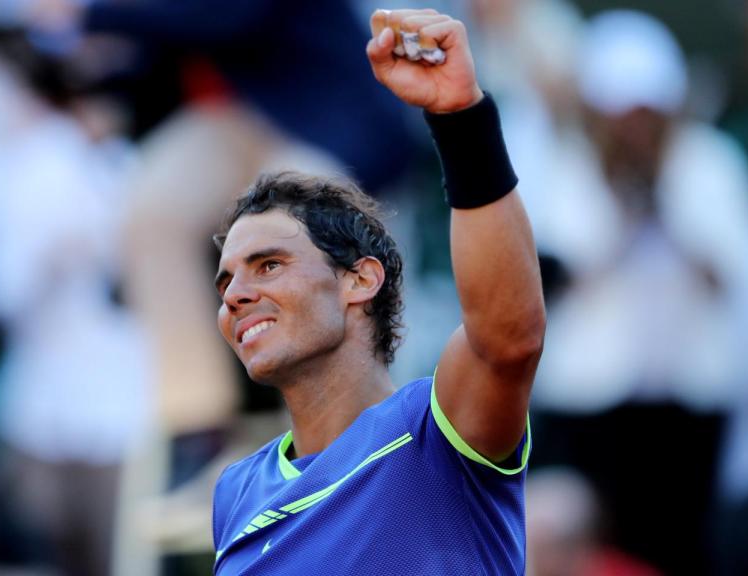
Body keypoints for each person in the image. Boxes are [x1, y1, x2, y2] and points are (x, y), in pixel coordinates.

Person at [209, 8, 544, 574]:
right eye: (226, 280)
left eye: (268, 265)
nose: (235, 294)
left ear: (360, 280)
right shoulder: (235, 492)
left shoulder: (435, 433)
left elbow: (508, 338)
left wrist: (461, 119)